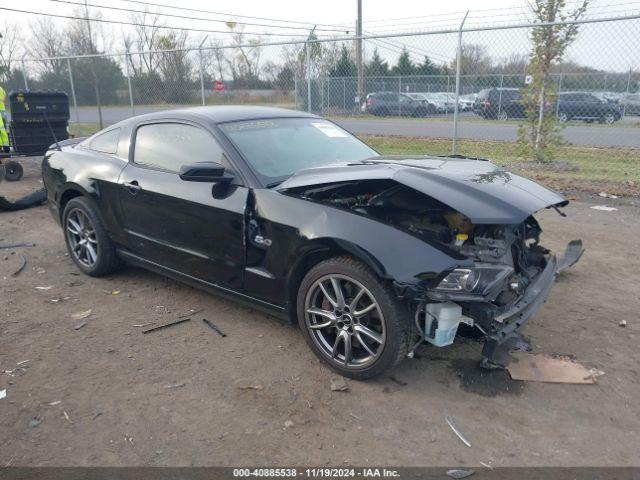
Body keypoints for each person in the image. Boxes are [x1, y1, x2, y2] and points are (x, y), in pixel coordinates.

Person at [0, 84, 9, 153]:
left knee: (1, 129)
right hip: (3, 110)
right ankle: (6, 147)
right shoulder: (2, 89)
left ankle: (1, 147)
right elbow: (4, 97)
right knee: (3, 129)